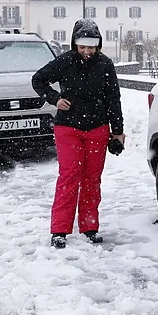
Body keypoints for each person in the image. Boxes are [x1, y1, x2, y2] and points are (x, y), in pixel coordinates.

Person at [32, 19, 126, 249]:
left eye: (91, 47)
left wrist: (118, 132)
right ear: (74, 44)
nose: (87, 51)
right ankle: (59, 230)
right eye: (82, 46)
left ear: (98, 45)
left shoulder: (105, 65)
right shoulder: (64, 62)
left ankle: (90, 226)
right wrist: (54, 99)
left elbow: (114, 99)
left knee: (92, 178)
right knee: (69, 175)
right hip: (68, 128)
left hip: (97, 128)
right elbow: (38, 80)